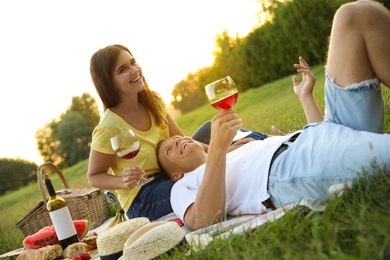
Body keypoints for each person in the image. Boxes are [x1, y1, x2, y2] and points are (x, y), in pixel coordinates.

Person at [157, 0, 390, 230]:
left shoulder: (240, 149)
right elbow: (201, 221)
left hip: (316, 136)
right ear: (175, 174)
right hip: (286, 171)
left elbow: (323, 140)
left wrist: (305, 97)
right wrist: (216, 148)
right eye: (169, 149)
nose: (177, 139)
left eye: (176, 138)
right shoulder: (182, 187)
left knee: (355, 15)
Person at [87, 44, 268, 221]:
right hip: (144, 196)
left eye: (133, 62)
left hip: (172, 167)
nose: (134, 70)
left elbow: (182, 139)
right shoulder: (107, 128)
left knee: (211, 128)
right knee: (204, 178)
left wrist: (218, 150)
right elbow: (94, 176)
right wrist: (122, 182)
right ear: (109, 83)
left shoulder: (153, 100)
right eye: (123, 69)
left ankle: (271, 142)